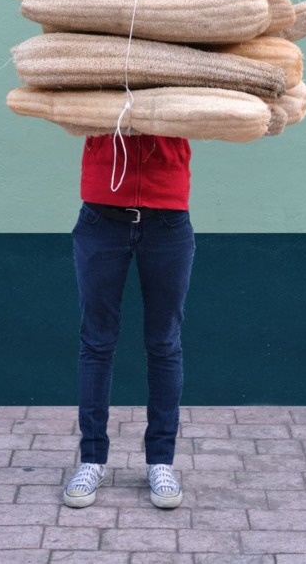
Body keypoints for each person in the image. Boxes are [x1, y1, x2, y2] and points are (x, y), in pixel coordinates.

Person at [63, 131, 195, 509]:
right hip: (101, 218)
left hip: (167, 220)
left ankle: (160, 462)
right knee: (97, 342)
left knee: (164, 343)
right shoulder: (100, 70)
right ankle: (91, 459)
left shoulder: (177, 70)